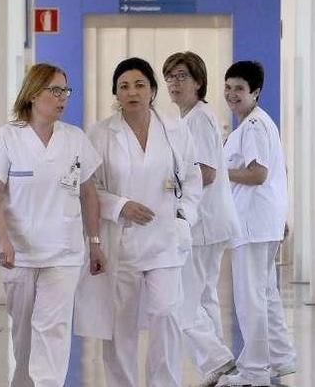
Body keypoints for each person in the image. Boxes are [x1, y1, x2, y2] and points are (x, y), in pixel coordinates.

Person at [73, 57, 202, 387]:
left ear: (153, 89)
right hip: (122, 242)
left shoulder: (175, 129)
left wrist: (184, 217)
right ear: (115, 93)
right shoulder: (101, 134)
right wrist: (120, 206)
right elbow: (87, 188)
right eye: (124, 86)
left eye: (140, 84)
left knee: (166, 315)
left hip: (165, 240)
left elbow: (192, 178)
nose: (132, 92)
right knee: (121, 326)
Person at [0, 63, 106, 387]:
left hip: (64, 253)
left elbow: (89, 195)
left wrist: (94, 241)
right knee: (24, 338)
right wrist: (2, 240)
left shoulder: (75, 139)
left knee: (53, 331)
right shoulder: (7, 138)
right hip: (19, 254)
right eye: (55, 90)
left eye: (65, 90)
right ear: (34, 94)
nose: (62, 98)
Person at [216, 61, 298, 387]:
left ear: (256, 92)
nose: (232, 94)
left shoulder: (252, 127)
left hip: (252, 224)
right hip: (262, 221)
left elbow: (258, 173)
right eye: (228, 87)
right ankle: (281, 358)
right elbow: (277, 173)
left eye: (239, 88)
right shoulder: (258, 124)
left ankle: (254, 370)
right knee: (265, 294)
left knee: (251, 297)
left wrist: (217, 174)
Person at [161, 51, 239, 386]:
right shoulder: (188, 119)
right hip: (208, 222)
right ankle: (220, 370)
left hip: (202, 224)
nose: (173, 84)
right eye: (169, 77)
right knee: (204, 296)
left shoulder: (199, 119)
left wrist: (168, 184)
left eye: (181, 76)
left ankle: (217, 359)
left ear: (198, 81)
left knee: (183, 301)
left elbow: (205, 172)